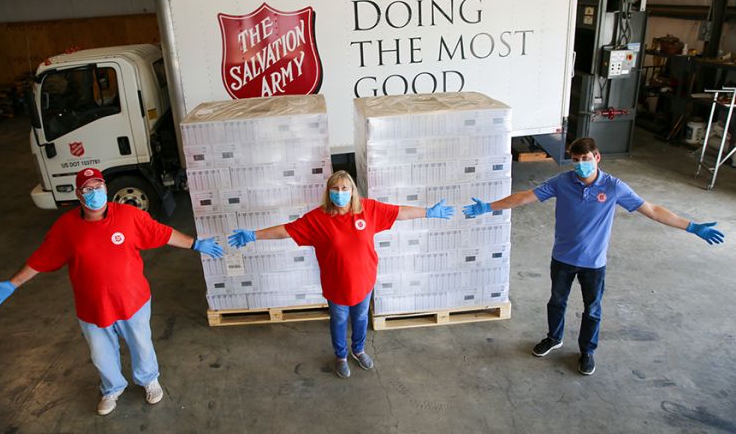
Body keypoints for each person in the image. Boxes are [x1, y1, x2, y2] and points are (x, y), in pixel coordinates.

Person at [463, 137, 724, 376]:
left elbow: (653, 210)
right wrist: (488, 207)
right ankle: (554, 338)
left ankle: (587, 351)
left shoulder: (613, 187)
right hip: (563, 258)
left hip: (594, 263)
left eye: (585, 159)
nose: (580, 165)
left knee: (592, 309)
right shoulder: (562, 182)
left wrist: (692, 226)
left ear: (597, 157)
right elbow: (523, 198)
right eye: (575, 160)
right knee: (557, 301)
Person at [0, 168, 225, 415]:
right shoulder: (66, 228)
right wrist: (13, 283)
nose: (94, 192)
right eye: (88, 188)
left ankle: (149, 379)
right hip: (93, 308)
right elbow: (41, 259)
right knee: (101, 355)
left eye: (98, 186)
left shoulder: (129, 215)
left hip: (133, 301)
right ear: (78, 194)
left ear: (106, 189)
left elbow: (162, 233)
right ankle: (112, 388)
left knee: (141, 345)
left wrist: (195, 243)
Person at [228, 170, 454, 378]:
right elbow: (285, 231)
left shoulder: (369, 209)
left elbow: (399, 212)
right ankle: (341, 355)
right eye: (335, 189)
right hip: (336, 285)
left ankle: (358, 350)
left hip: (364, 281)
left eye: (345, 188)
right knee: (339, 319)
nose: (340, 193)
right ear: (328, 192)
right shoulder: (317, 219)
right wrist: (254, 235)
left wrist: (428, 212)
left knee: (361, 317)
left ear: (353, 191)